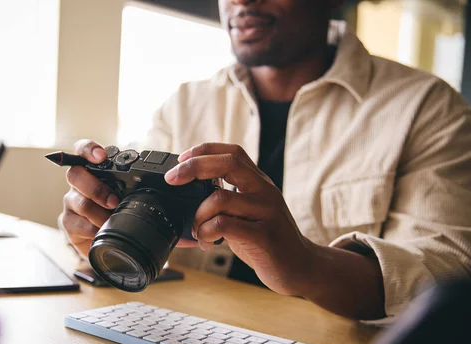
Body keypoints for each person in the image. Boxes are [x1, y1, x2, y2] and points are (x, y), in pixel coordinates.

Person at [59, 0, 471, 322]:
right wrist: (94, 227)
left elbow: (444, 276)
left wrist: (306, 264)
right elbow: (128, 245)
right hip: (189, 341)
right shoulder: (184, 104)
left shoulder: (427, 109)